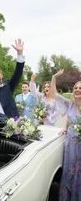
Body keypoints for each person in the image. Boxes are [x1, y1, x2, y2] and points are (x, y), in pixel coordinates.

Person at [49, 70, 81, 201]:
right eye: (76, 88)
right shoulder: (70, 104)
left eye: (80, 88)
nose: (78, 90)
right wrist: (54, 77)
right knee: (69, 173)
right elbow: (54, 94)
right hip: (70, 145)